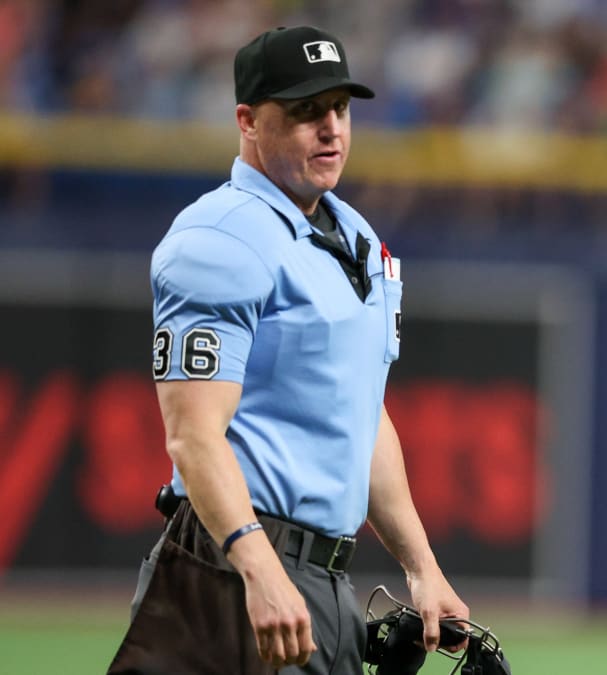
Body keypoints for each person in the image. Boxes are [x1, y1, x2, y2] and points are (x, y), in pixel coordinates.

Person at [108, 25, 468, 675]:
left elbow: (364, 416)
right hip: (228, 568)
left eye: (339, 107)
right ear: (247, 120)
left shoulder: (356, 234)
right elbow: (193, 436)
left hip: (326, 579)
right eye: (305, 111)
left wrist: (422, 568)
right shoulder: (218, 238)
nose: (330, 127)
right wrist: (256, 564)